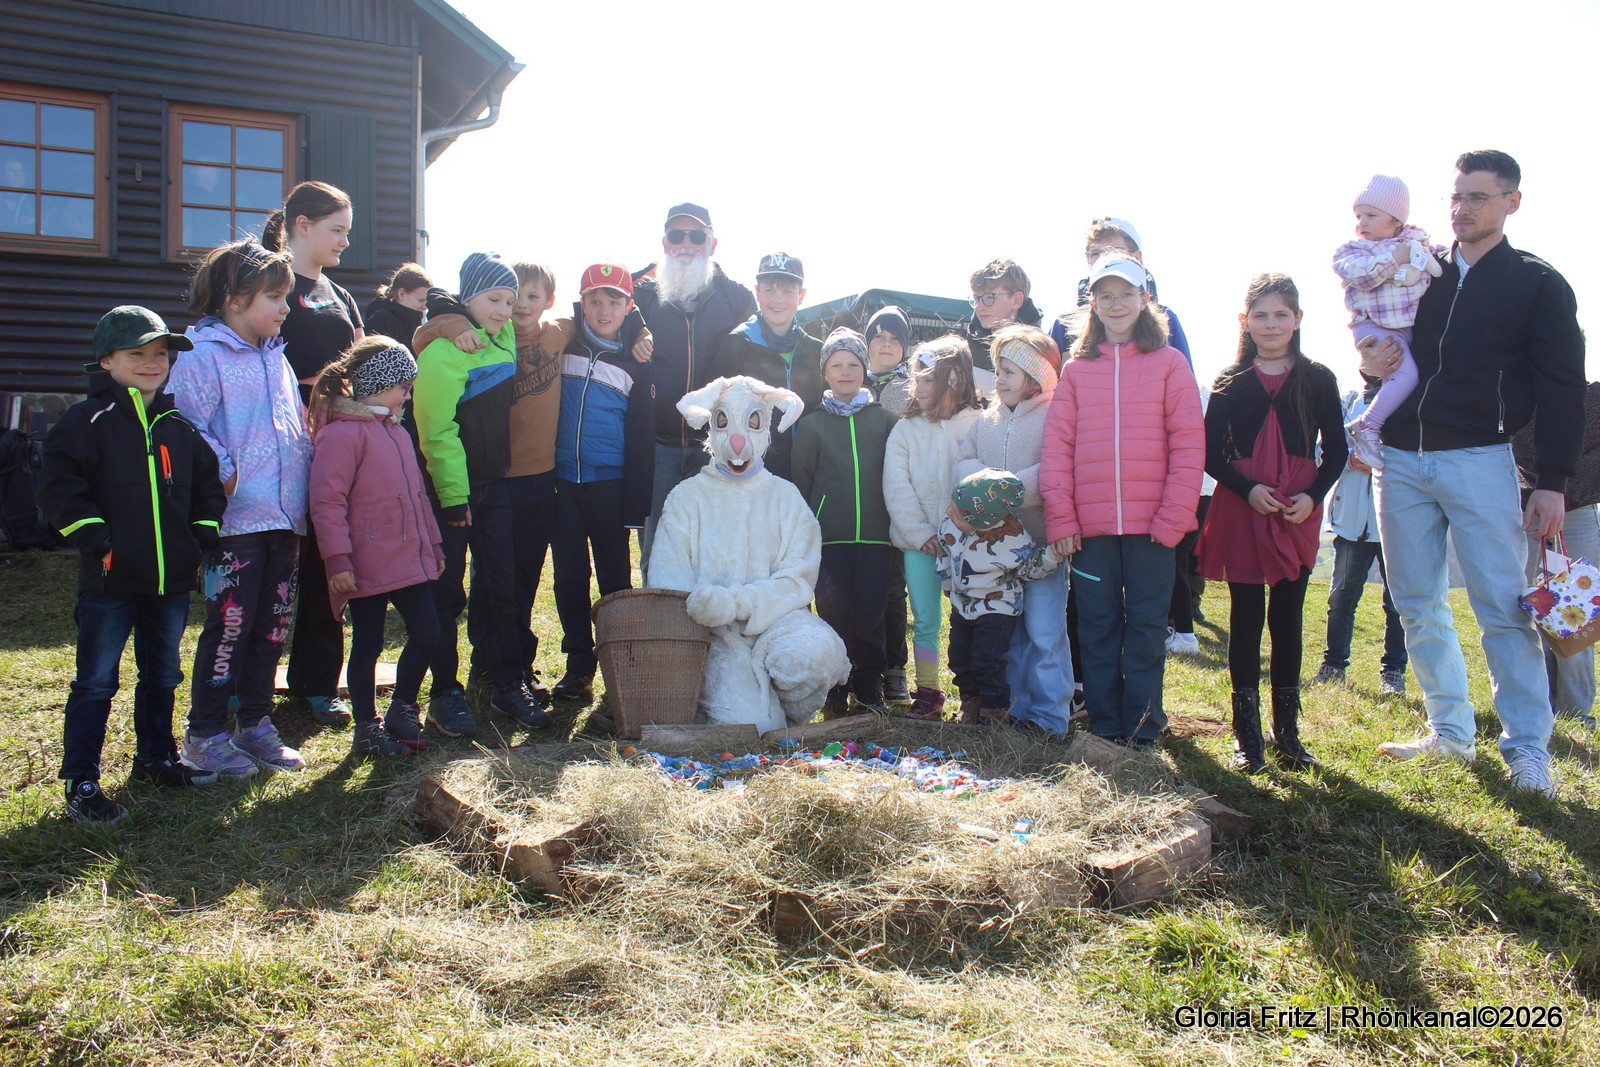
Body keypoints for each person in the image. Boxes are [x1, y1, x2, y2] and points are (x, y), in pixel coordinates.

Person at [1363, 150, 1585, 797]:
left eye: (1478, 197)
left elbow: (1563, 387)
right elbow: (1384, 347)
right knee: (1415, 602)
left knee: (1503, 607)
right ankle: (1451, 731)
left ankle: (1528, 748)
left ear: (1512, 202)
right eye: (1456, 197)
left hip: (1482, 458)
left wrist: (1553, 480)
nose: (1462, 209)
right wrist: (1370, 366)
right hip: (1400, 459)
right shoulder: (1419, 271)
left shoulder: (1539, 284)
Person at [38, 306, 227, 823]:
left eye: (160, 353)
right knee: (96, 681)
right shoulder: (85, 422)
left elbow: (208, 488)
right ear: (106, 361)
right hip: (109, 582)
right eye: (137, 353)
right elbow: (58, 489)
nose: (152, 362)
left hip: (169, 582)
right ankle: (81, 779)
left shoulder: (178, 427)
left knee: (163, 673)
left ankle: (155, 759)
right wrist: (98, 540)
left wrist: (199, 536)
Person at [1042, 255, 1204, 749]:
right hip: (1090, 533)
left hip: (1154, 529)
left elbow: (1188, 446)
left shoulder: (1170, 364)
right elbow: (1057, 449)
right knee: (1096, 627)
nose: (1117, 304)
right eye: (1106, 296)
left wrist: (1174, 517)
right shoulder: (1076, 371)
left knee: (1147, 628)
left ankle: (1142, 728)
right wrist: (1062, 518)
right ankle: (1106, 726)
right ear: (1093, 304)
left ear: (1144, 299)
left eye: (1126, 294)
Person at [167, 240, 313, 777]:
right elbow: (184, 424)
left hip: (286, 517)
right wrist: (225, 470)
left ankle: (255, 723)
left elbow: (295, 425)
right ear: (233, 299)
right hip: (235, 522)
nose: (285, 307)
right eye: (274, 297)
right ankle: (205, 734)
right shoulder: (200, 355)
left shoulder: (277, 357)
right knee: (229, 626)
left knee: (272, 627)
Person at [1196, 273, 1346, 774]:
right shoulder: (1231, 381)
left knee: (1287, 619)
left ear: (1298, 319)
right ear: (1245, 321)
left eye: (1281, 314)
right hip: (1244, 508)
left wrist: (1312, 497)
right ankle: (1248, 738)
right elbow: (1209, 453)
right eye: (1260, 315)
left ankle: (1288, 735)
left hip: (1295, 511)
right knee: (1245, 619)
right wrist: (1247, 490)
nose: (1271, 324)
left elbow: (1337, 451)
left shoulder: (1318, 378)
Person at [410, 251, 549, 736]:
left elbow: (461, 307)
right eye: (494, 299)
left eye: (509, 301)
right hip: (451, 494)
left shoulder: (501, 337)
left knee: (502, 588)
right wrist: (454, 496)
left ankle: (506, 682)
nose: (504, 311)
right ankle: (444, 693)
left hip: (496, 488)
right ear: (469, 298)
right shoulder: (442, 352)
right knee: (447, 595)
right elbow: (436, 431)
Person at [307, 336, 444, 760]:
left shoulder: (396, 432)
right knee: (368, 644)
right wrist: (337, 560)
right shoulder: (340, 436)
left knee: (428, 631)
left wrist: (434, 545)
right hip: (364, 563)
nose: (408, 394)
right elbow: (326, 502)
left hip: (407, 558)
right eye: (403, 385)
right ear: (377, 382)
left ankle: (402, 707)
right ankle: (367, 727)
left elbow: (418, 497)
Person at [262, 180, 363, 726]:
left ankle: (317, 679)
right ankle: (250, 679)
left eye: (347, 231)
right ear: (301, 226)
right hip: (279, 437)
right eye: (336, 230)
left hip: (336, 439)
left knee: (329, 556)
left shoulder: (339, 293)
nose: (345, 241)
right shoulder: (265, 281)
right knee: (274, 561)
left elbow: (361, 359)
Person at [954, 324, 1072, 735]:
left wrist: (1004, 491)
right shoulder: (985, 421)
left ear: (1036, 376)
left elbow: (1056, 467)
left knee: (1044, 632)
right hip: (995, 555)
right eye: (998, 370)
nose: (999, 379)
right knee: (1012, 636)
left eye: (1009, 372)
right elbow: (964, 460)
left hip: (1041, 546)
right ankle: (1019, 711)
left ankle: (1050, 717)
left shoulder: (1054, 416)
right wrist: (978, 485)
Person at [549, 264, 656, 701]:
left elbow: (642, 439)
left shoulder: (636, 364)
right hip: (563, 484)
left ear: (628, 307)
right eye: (595, 300)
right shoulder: (563, 348)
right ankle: (578, 666)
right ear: (582, 304)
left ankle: (621, 664)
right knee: (569, 577)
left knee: (615, 580)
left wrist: (635, 506)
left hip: (610, 487)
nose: (604, 309)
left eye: (614, 301)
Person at [635, 203, 756, 577]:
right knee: (656, 548)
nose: (686, 244)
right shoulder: (639, 296)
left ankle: (708, 616)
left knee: (713, 550)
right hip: (657, 447)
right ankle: (658, 615)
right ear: (665, 243)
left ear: (712, 243)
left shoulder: (736, 298)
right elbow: (592, 314)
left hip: (714, 447)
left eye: (697, 235)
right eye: (677, 235)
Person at [792, 328, 897, 715]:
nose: (845, 372)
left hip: (876, 537)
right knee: (833, 614)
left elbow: (896, 475)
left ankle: (869, 688)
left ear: (865, 369)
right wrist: (809, 527)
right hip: (830, 538)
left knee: (871, 614)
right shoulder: (813, 425)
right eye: (836, 365)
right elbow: (802, 480)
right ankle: (834, 688)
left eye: (853, 364)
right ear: (825, 372)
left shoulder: (885, 421)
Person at [883, 336, 983, 720]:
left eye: (928, 380)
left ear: (953, 379)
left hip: (970, 543)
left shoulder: (978, 423)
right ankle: (927, 690)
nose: (919, 388)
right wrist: (920, 532)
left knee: (969, 615)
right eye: (917, 379)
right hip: (920, 544)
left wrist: (967, 528)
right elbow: (897, 486)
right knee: (925, 619)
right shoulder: (905, 430)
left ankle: (974, 693)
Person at [1332, 175, 1445, 470]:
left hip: (1404, 327)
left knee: (1400, 377)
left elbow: (1435, 262)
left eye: (1371, 215)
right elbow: (1361, 275)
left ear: (1396, 221)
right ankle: (1367, 425)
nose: (1362, 222)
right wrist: (1396, 257)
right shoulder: (1353, 251)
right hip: (1372, 326)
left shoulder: (1414, 242)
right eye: (1358, 215)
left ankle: (1368, 427)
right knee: (1406, 376)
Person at [936, 468, 1062, 726]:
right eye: (951, 505)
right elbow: (944, 554)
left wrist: (1053, 554)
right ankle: (970, 702)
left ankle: (994, 713)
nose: (948, 513)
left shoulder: (1013, 537)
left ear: (982, 521)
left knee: (988, 661)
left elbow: (1030, 568)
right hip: (962, 605)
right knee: (959, 657)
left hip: (996, 609)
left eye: (957, 513)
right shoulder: (949, 526)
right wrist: (947, 583)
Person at [1312, 378, 1408, 697]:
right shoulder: (1348, 402)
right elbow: (1321, 452)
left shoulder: (1411, 398)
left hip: (1399, 522)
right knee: (1341, 598)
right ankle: (1333, 667)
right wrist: (1351, 460)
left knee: (1397, 604)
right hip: (1352, 522)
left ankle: (1393, 673)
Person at [1513, 382, 1600, 732]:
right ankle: (1533, 704)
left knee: (1574, 611)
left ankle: (1576, 714)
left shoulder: (1591, 397)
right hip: (1521, 511)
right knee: (1523, 610)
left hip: (1576, 511)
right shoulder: (1513, 397)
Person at [711, 253, 823, 481]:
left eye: (787, 291)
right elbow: (716, 412)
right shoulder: (738, 343)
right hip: (753, 474)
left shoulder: (816, 350)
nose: (778, 299)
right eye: (769, 290)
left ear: (801, 296)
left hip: (809, 473)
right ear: (757, 292)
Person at [1049, 218, 1192, 364]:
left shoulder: (1167, 320)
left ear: (1137, 257)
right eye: (1096, 253)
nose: (1106, 259)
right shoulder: (1064, 327)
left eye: (1115, 251)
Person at [863, 304, 913, 704]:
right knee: (862, 589)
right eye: (878, 336)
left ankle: (895, 670)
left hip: (897, 500)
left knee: (894, 590)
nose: (885, 344)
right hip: (859, 499)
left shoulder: (913, 389)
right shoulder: (850, 382)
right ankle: (860, 668)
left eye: (894, 338)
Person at [965, 259, 1044, 377]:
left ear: (1016, 300)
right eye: (976, 299)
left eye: (989, 297)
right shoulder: (965, 350)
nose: (979, 307)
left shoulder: (1041, 353)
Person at [363, 262, 433, 355]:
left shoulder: (415, 321)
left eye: (427, 301)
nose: (425, 307)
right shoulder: (379, 321)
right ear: (401, 294)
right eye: (421, 300)